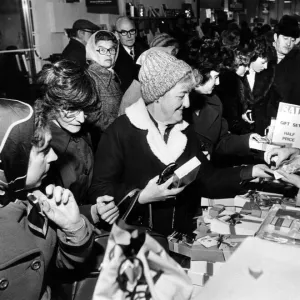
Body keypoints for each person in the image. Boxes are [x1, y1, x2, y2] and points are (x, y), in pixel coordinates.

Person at [88, 50, 273, 237]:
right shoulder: (121, 132)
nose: (186, 104)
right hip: (137, 244)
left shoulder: (185, 131)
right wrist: (141, 197)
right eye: (181, 95)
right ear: (158, 96)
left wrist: (251, 171)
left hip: (179, 240)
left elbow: (207, 179)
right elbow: (99, 190)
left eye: (188, 95)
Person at [0, 98, 94, 300]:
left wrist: (73, 227)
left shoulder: (30, 200)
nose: (53, 157)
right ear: (10, 158)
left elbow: (52, 267)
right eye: (43, 151)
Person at [35, 60, 119, 226]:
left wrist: (99, 204)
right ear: (53, 103)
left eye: (84, 108)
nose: (81, 118)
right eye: (72, 110)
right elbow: (47, 215)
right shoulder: (41, 149)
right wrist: (92, 212)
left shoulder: (81, 130)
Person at [86, 30, 123, 136]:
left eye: (111, 49)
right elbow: (93, 117)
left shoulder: (111, 74)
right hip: (104, 138)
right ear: (92, 51)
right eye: (102, 50)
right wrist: (122, 125)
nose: (108, 54)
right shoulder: (90, 78)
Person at [216, 48, 253, 135]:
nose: (247, 69)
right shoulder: (230, 81)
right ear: (236, 65)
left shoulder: (232, 79)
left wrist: (242, 115)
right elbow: (231, 114)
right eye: (245, 66)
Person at [114, 16, 147, 92]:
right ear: (117, 34)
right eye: (124, 32)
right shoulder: (113, 56)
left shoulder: (144, 50)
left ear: (136, 32)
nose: (129, 36)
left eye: (132, 31)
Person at [273, 15, 300, 106]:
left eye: (292, 40)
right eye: (285, 38)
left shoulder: (296, 60)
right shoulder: (261, 57)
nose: (289, 43)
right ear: (275, 37)